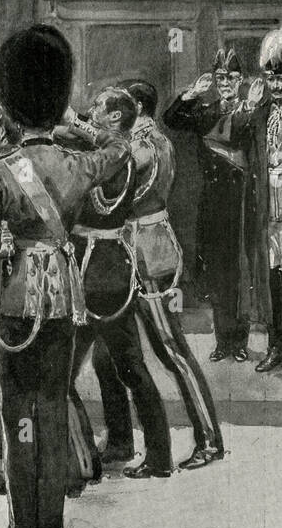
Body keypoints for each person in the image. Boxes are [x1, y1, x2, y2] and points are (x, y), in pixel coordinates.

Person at [0, 25, 131, 528]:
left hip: (16, 299)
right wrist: (73, 120)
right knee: (52, 408)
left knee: (19, 417)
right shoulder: (78, 162)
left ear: (12, 104)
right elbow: (119, 145)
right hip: (65, 297)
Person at [93, 78, 225, 469]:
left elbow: (110, 183)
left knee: (172, 351)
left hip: (150, 254)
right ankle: (120, 440)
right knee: (108, 356)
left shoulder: (145, 145)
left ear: (133, 107)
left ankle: (210, 440)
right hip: (126, 254)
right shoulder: (142, 140)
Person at [67, 87, 172, 490]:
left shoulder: (117, 155)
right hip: (108, 269)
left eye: (97, 109)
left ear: (114, 119)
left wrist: (68, 124)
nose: (89, 111)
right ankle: (127, 445)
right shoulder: (115, 151)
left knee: (74, 369)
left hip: (97, 272)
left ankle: (85, 461)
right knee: (114, 363)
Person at [228, 27, 282, 377]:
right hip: (264, 210)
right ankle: (273, 346)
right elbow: (232, 134)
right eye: (271, 78)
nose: (277, 85)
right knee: (268, 280)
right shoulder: (257, 113)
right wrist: (247, 105)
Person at [163, 47, 251, 362]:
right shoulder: (206, 110)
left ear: (240, 79)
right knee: (217, 273)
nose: (224, 83)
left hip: (243, 201)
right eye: (219, 77)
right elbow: (171, 119)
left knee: (238, 275)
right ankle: (222, 341)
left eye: (230, 77)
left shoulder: (250, 109)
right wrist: (191, 94)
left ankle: (239, 341)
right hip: (213, 203)